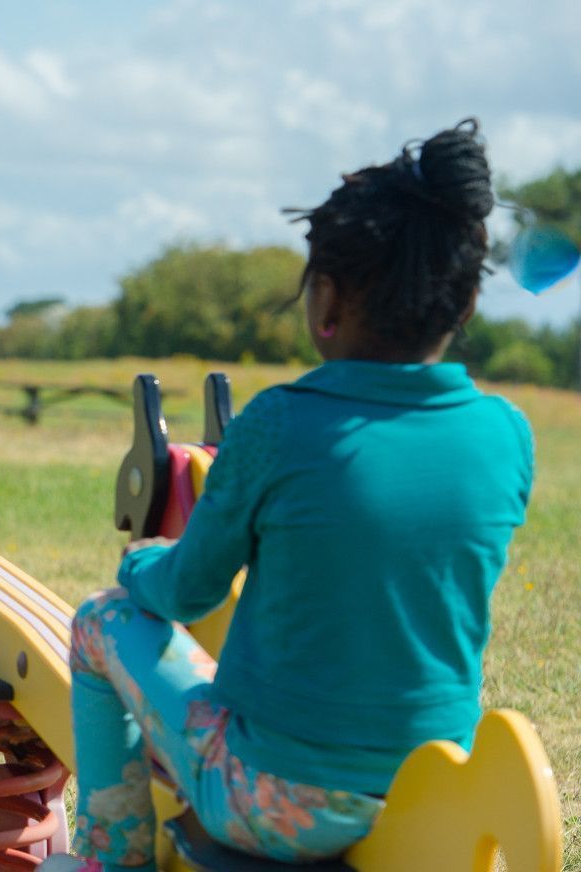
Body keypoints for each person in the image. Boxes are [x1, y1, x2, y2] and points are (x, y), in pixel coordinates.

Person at [60, 119, 532, 871]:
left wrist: (139, 563)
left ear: (326, 301)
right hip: (431, 786)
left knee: (100, 621)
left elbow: (188, 591)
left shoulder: (280, 421)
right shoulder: (506, 434)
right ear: (467, 301)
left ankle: (109, 858)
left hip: (278, 800)